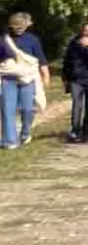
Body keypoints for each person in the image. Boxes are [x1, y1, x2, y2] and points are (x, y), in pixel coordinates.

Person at [1, 11, 51, 151]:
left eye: (21, 26)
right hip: (8, 79)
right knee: (8, 110)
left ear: (26, 26)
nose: (18, 29)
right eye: (15, 26)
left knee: (27, 109)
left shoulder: (33, 40)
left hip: (28, 79)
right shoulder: (4, 40)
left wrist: (45, 75)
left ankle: (25, 133)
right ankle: (10, 141)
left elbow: (41, 59)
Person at [62, 22, 88, 143]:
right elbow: (67, 60)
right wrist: (65, 77)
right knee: (76, 105)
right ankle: (75, 130)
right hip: (76, 79)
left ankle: (87, 132)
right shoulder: (74, 43)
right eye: (85, 30)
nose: (87, 33)